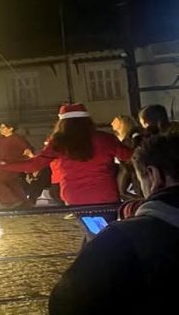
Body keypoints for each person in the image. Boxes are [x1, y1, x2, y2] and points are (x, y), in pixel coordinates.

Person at [48, 133, 179, 314]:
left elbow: (66, 303)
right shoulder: (104, 139)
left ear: (154, 175)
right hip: (106, 201)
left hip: (81, 204)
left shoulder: (123, 239)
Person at [0, 103, 133, 206]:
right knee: (105, 232)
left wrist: (3, 166)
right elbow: (129, 156)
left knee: (92, 231)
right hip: (105, 195)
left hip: (74, 197)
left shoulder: (58, 143)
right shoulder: (105, 138)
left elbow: (34, 164)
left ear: (63, 123)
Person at [0, 122, 33, 208]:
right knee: (11, 183)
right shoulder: (1, 139)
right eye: (0, 127)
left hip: (14, 165)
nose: (0, 129)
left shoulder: (17, 139)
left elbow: (26, 148)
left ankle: (11, 202)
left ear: (10, 128)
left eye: (3, 127)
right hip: (6, 165)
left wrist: (30, 154)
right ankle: (23, 203)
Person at [111, 114, 143, 199]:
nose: (111, 123)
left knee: (122, 192)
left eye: (115, 120)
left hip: (128, 170)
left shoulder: (130, 138)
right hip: (128, 170)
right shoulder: (123, 138)